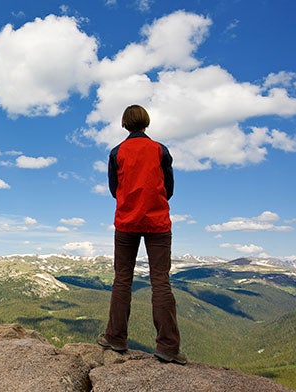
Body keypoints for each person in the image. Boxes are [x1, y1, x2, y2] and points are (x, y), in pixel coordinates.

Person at [97, 104, 187, 365]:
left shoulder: (117, 152)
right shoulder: (160, 150)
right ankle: (168, 347)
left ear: (125, 124)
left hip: (126, 222)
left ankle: (115, 337)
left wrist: (131, 201)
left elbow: (115, 189)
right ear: (146, 122)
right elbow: (169, 188)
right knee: (160, 281)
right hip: (158, 223)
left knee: (122, 279)